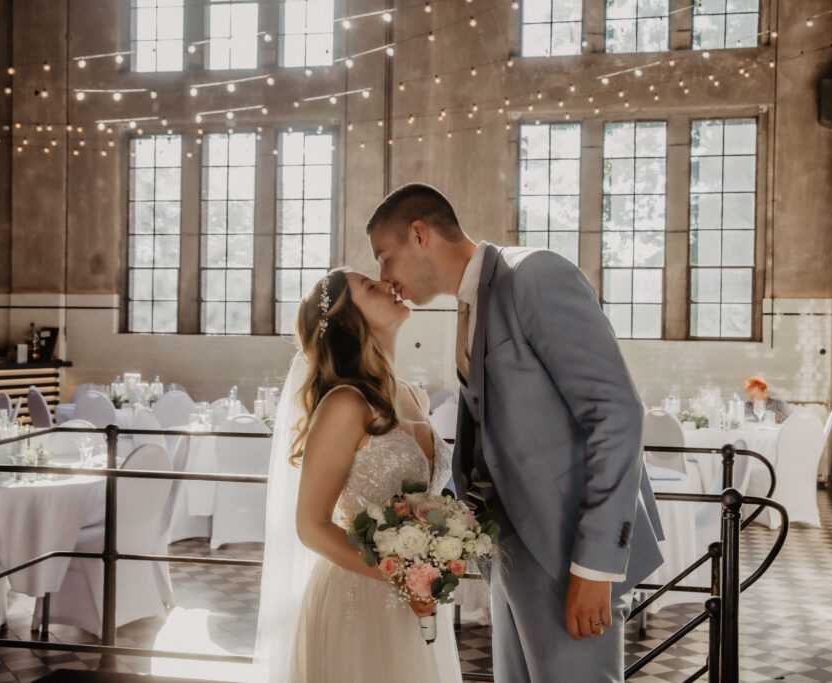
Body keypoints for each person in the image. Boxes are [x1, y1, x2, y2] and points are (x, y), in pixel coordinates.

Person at [367, 183, 664, 683]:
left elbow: (617, 413)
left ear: (420, 234)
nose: (384, 276)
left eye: (384, 257)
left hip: (569, 554)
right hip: (512, 553)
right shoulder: (469, 303)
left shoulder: (535, 276)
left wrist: (595, 567)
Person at [253, 267, 462, 683]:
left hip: (416, 595)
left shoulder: (413, 394)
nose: (389, 283)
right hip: (359, 595)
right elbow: (310, 526)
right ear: (351, 320)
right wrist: (400, 574)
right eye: (371, 286)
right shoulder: (346, 405)